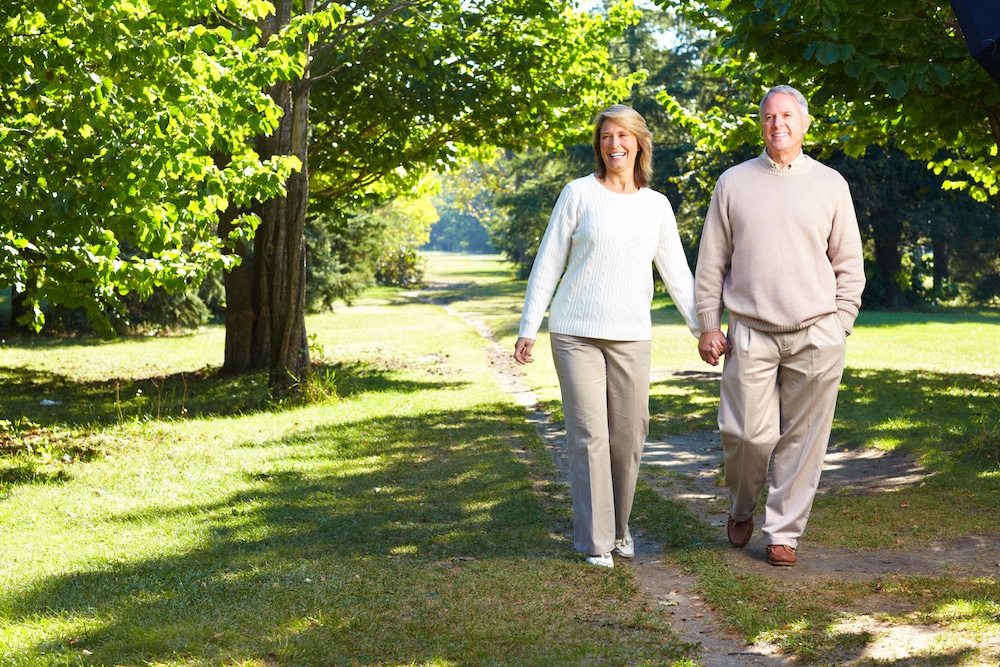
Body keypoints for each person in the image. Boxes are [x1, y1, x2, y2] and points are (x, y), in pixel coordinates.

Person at [514, 104, 701, 569]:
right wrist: (528, 328)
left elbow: (677, 273)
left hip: (631, 337)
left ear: (639, 143)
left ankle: (619, 529)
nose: (614, 145)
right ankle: (595, 541)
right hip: (575, 332)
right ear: (598, 146)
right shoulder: (578, 194)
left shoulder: (656, 206)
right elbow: (549, 262)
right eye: (605, 137)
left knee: (629, 435)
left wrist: (704, 328)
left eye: (623, 136)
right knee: (589, 436)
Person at [695, 85, 866, 567]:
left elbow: (849, 263)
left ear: (805, 123)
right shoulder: (733, 182)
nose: (778, 124)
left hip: (817, 331)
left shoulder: (831, 184)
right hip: (748, 330)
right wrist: (709, 324)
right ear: (761, 125)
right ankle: (740, 505)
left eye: (787, 115)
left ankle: (783, 532)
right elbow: (711, 263)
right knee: (747, 435)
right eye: (769, 116)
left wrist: (841, 323)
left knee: (804, 438)